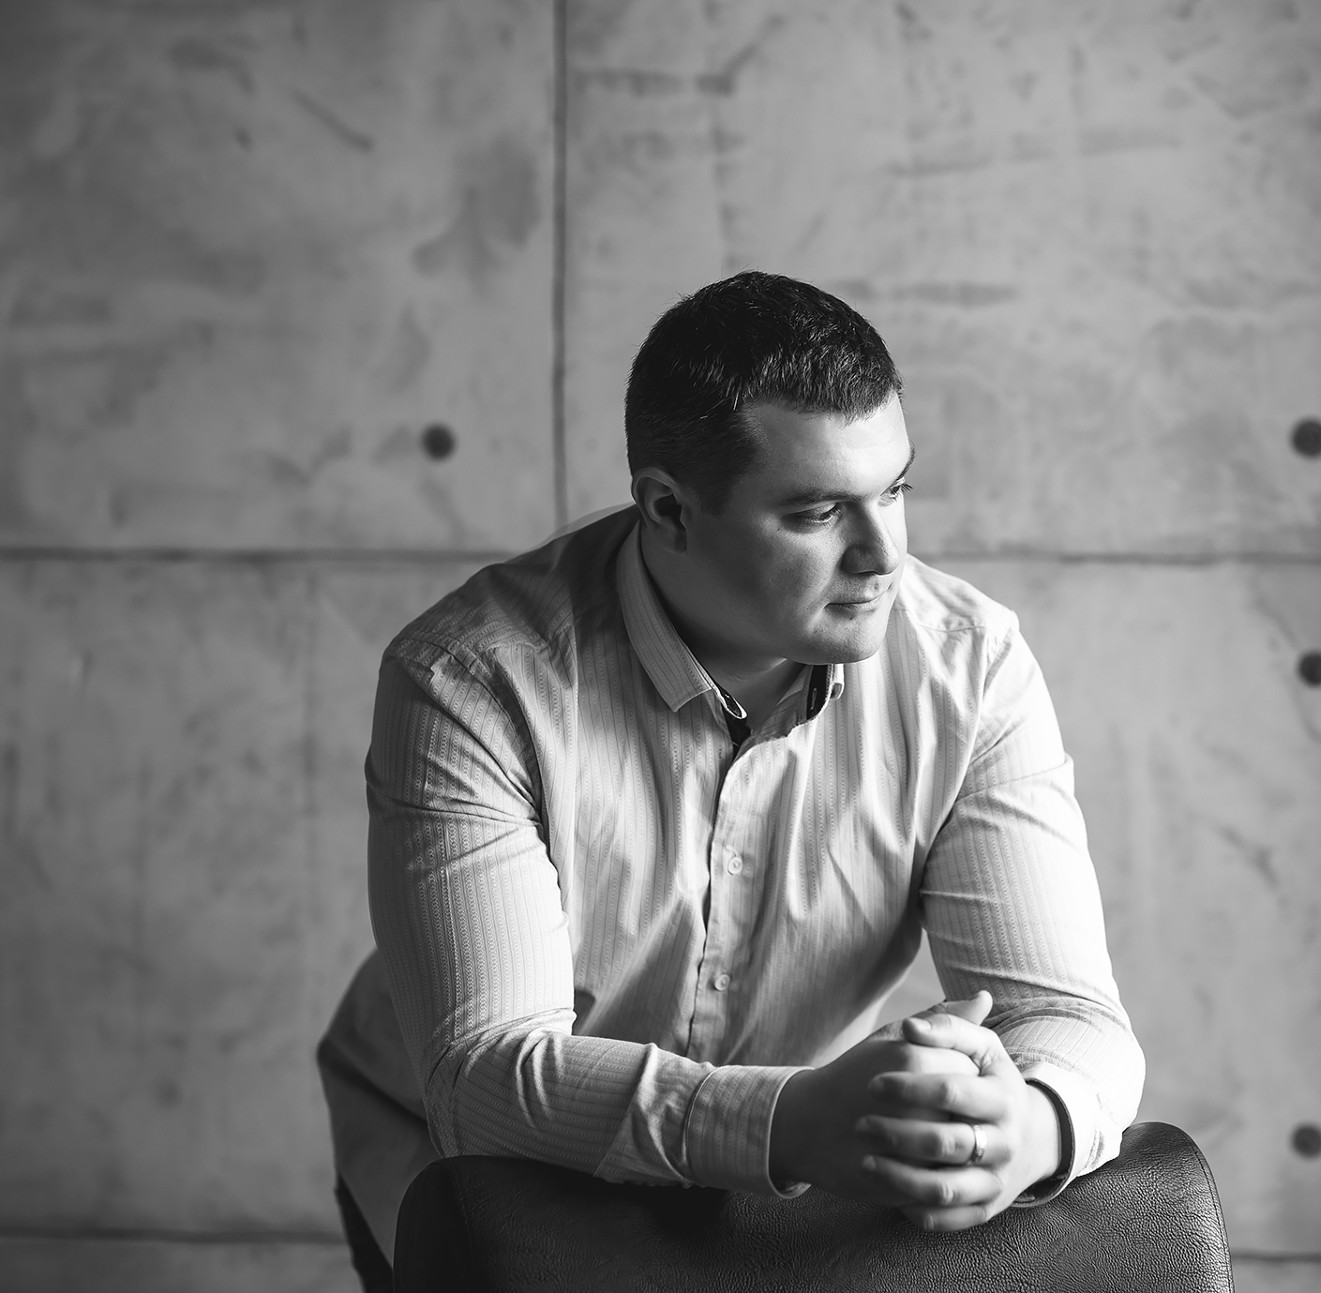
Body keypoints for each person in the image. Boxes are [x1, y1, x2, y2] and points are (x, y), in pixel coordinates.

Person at [315, 271, 1144, 1289]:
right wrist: (788, 1120)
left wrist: (1028, 1125)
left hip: (786, 1182)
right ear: (670, 509)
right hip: (483, 1184)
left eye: (895, 490)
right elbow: (488, 1081)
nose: (884, 554)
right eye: (818, 513)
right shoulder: (470, 682)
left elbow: (1071, 1016)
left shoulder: (971, 669)